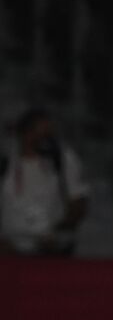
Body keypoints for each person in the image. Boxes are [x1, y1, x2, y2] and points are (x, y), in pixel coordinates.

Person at [0, 107, 90, 256]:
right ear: (25, 134)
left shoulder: (63, 160)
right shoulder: (6, 162)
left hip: (50, 249)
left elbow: (78, 201)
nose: (46, 139)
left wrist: (61, 232)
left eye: (49, 133)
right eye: (40, 133)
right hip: (9, 251)